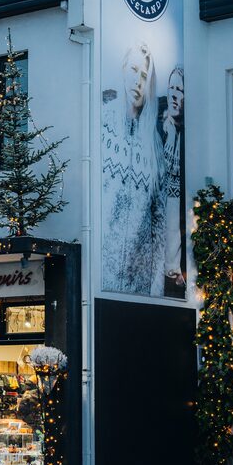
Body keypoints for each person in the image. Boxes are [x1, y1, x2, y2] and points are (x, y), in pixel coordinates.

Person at [102, 41, 163, 295]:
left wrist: (157, 283)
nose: (137, 81)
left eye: (144, 76)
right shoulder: (102, 124)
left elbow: (159, 216)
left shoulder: (153, 142)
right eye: (134, 70)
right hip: (102, 274)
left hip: (139, 282)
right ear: (123, 69)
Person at [159, 66, 185, 296]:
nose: (175, 95)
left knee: (174, 227)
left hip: (176, 201)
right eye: (172, 89)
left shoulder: (185, 133)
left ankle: (173, 269)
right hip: (160, 199)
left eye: (180, 90)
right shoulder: (158, 125)